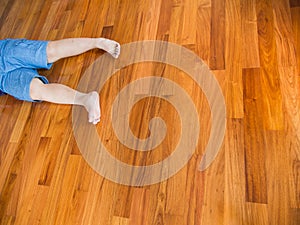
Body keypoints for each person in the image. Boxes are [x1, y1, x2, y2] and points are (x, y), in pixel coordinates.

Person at [0, 37, 120, 125]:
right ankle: (86, 99)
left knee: (50, 52)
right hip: (2, 81)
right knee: (36, 91)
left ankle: (99, 43)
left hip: (3, 53)